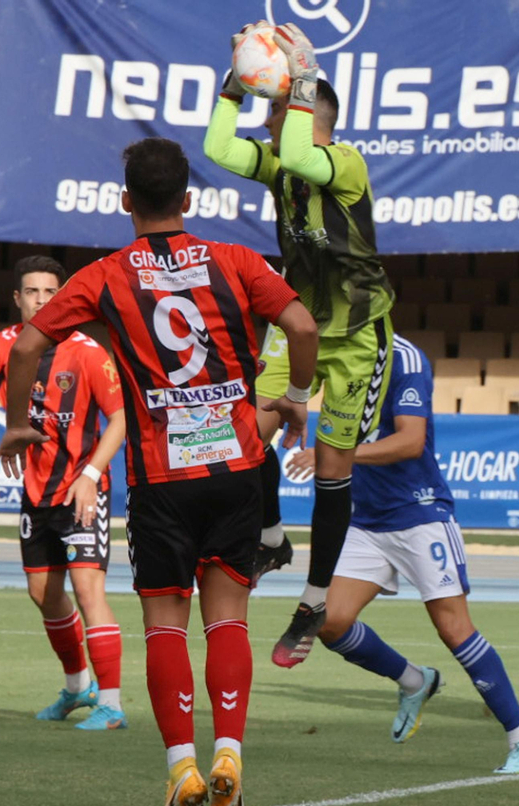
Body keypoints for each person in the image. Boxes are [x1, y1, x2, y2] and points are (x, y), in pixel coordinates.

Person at [0, 137, 319, 806]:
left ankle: (181, 769)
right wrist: (294, 395)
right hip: (234, 470)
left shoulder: (106, 276)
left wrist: (17, 425)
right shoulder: (235, 261)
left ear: (126, 201)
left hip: (163, 479)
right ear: (190, 201)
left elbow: (23, 348)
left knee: (165, 622)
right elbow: (301, 323)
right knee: (228, 618)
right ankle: (229, 752)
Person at [205, 21, 399, 667]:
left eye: (279, 109)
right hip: (298, 325)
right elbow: (216, 149)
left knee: (332, 468)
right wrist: (231, 91)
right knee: (242, 435)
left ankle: (315, 601)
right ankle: (270, 538)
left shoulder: (342, 164)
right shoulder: (284, 167)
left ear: (312, 114)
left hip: (357, 338)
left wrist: (304, 73)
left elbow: (294, 152)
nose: (269, 121)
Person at [285, 336, 519, 774]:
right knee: (330, 622)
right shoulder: (333, 350)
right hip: (366, 519)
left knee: (454, 628)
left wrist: (337, 456)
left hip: (419, 511)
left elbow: (410, 441)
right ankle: (414, 680)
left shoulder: (403, 358)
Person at [0, 257, 131, 731]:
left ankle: (114, 704)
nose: (40, 299)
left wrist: (91, 474)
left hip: (82, 490)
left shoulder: (88, 352)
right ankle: (78, 687)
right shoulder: (8, 345)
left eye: (48, 292)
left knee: (87, 589)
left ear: (63, 298)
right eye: (31, 292)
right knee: (43, 594)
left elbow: (119, 420)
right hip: (35, 494)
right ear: (17, 299)